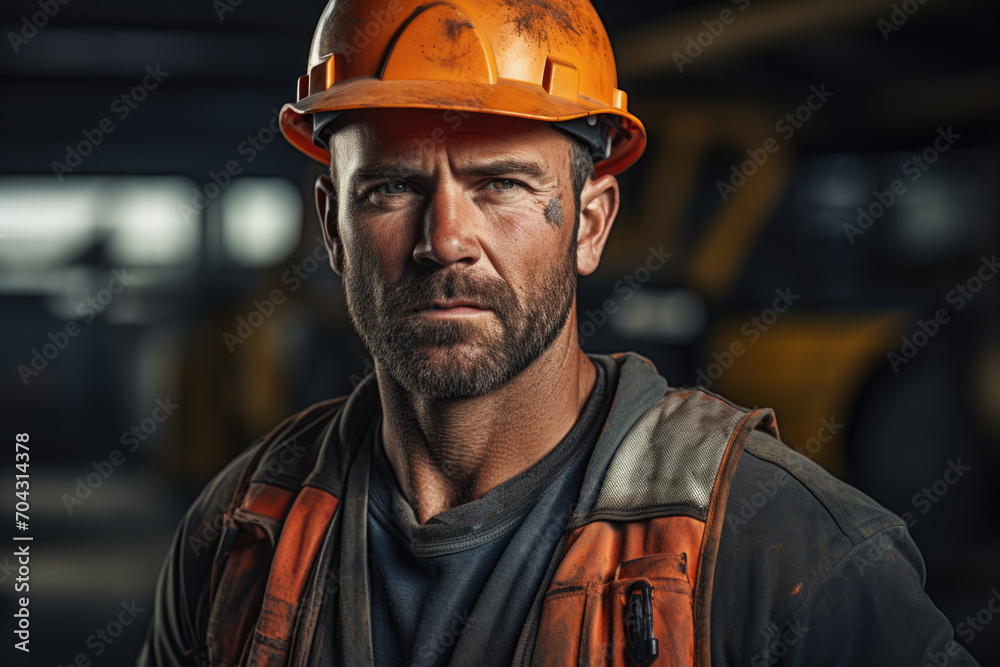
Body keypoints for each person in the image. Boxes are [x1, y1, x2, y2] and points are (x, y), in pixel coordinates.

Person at [138, 0, 981, 665]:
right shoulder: (242, 533)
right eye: (391, 187)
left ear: (589, 223)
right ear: (333, 225)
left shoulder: (784, 550)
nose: (445, 239)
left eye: (500, 183)